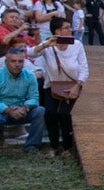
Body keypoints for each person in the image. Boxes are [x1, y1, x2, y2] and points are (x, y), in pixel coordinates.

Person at [31, 15, 87, 157]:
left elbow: (84, 68)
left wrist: (78, 85)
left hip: (72, 85)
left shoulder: (77, 44)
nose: (70, 30)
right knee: (50, 114)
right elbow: (31, 53)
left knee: (64, 114)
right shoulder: (49, 45)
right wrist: (45, 45)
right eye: (66, 28)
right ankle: (54, 146)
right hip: (52, 86)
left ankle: (67, 147)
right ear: (57, 31)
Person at [0, 45, 45, 151]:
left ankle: (32, 145)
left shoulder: (29, 76)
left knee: (40, 111)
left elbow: (34, 98)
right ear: (6, 62)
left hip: (21, 110)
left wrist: (25, 108)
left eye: (20, 61)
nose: (17, 64)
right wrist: (8, 110)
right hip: (0, 111)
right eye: (13, 61)